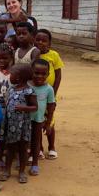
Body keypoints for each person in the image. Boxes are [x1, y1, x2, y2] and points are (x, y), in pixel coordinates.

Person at [1, 64, 37, 184]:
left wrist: (24, 107)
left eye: (12, 74)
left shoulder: (29, 90)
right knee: (10, 148)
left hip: (23, 126)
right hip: (11, 125)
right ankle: (7, 170)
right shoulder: (11, 88)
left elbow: (35, 107)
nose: (10, 76)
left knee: (22, 148)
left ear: (19, 77)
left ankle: (21, 172)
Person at [35, 29, 64, 159]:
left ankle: (51, 147)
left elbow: (58, 76)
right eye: (38, 40)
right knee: (37, 121)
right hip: (36, 95)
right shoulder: (34, 55)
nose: (40, 42)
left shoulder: (54, 55)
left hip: (49, 95)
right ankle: (39, 148)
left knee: (50, 121)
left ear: (49, 43)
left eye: (44, 40)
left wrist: (54, 92)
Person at [29, 59, 56, 176]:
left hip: (38, 120)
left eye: (43, 74)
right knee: (25, 141)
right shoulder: (27, 85)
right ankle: (25, 159)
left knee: (36, 141)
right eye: (36, 73)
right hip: (25, 119)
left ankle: (35, 163)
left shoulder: (49, 89)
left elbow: (51, 107)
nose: (40, 76)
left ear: (48, 75)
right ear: (31, 72)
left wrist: (48, 123)